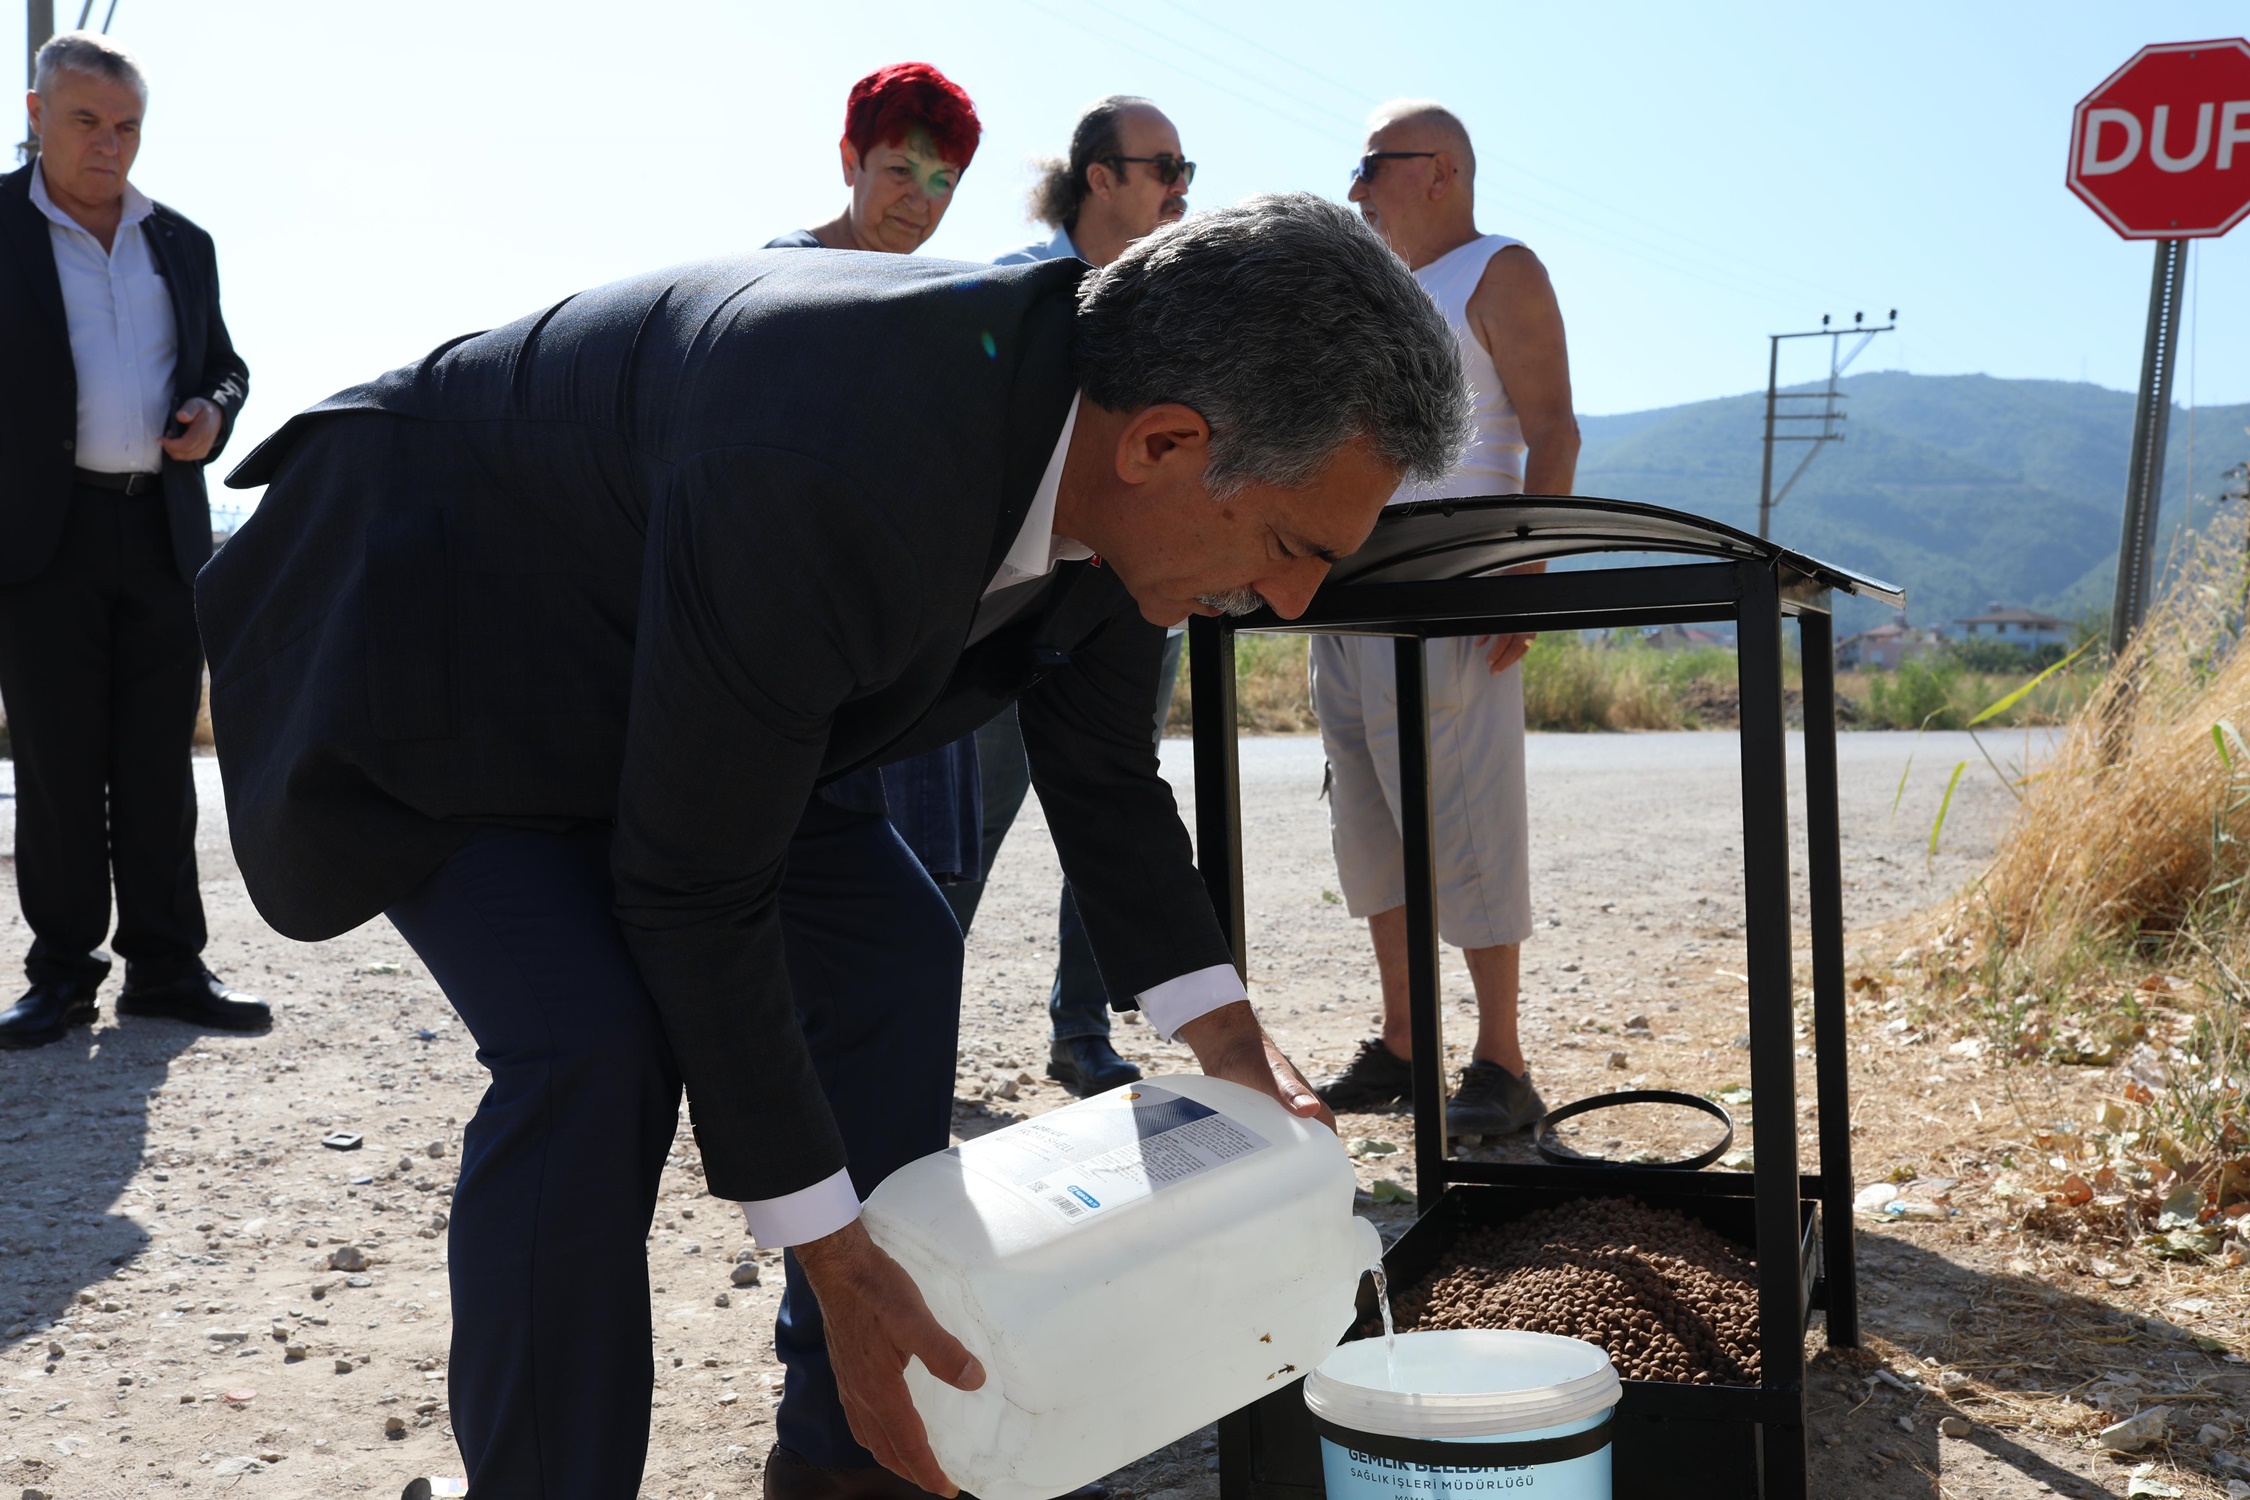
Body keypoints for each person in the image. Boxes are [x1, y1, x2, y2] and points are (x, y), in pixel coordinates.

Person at [195, 193, 1468, 1500]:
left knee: (892, 951)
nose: (1294, 600)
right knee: (591, 1043)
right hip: (452, 643)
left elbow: (1096, 766)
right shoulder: (838, 459)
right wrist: (836, 1255)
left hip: (702, 659)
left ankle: (847, 1457)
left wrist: (1230, 1043)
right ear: (1164, 443)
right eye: (1286, 547)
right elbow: (695, 885)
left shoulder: (1124, 448)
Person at [757, 60, 1019, 1500]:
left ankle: (875, 1365)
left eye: (940, 182)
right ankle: (826, 1388)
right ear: (848, 156)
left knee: (910, 991)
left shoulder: (946, 312)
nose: (914, 201)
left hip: (909, 705)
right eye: (896, 169)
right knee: (836, 1034)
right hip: (792, 714)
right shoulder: (780, 293)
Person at [1310, 100, 1580, 1139]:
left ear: (1441, 171)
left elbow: (1553, 428)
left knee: (1467, 817)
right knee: (1369, 819)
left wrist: (1527, 574)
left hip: (1458, 577)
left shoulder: (1500, 270)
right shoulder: (1376, 291)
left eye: (1371, 165)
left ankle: (1501, 1060)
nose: (1356, 187)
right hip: (1352, 583)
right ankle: (1406, 1042)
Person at [0, 32, 263, 1051]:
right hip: (40, 538)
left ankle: (167, 970)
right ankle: (61, 978)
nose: (109, 145)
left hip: (160, 531)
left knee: (158, 764)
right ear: (35, 113)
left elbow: (228, 366)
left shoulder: (183, 243)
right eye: (85, 121)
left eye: (126, 128)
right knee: (61, 766)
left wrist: (212, 408)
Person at [950, 95, 1197, 1098]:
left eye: (1188, 169)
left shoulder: (1179, 310)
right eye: (1164, 167)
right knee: (970, 825)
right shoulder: (1013, 292)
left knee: (1105, 816)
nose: (1182, 188)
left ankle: (1082, 1034)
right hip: (1013, 605)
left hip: (1130, 607)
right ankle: (901, 1024)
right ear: (1101, 177)